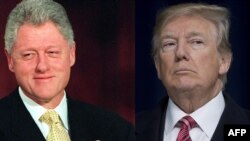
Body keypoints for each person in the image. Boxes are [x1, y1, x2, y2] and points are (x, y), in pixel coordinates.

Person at [0, 0, 133, 140]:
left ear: (71, 54)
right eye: (28, 55)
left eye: (52, 52)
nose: (42, 66)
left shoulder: (116, 129)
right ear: (10, 60)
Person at [136, 3, 250, 141]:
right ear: (158, 65)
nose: (180, 53)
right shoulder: (129, 130)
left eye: (196, 42)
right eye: (169, 44)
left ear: (224, 61)